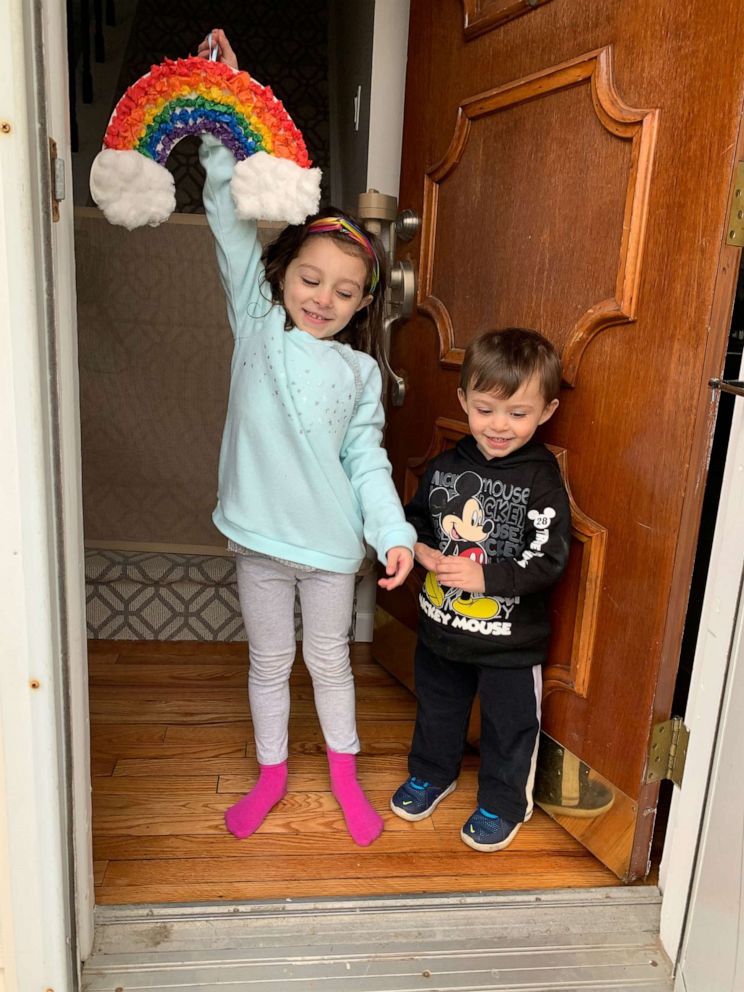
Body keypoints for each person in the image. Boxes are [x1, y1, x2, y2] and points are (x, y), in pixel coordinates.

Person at [195, 30, 415, 847]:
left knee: (328, 664)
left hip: (329, 548)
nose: (323, 297)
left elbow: (367, 462)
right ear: (283, 276)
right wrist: (224, 125)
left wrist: (391, 530)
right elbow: (225, 223)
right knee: (266, 664)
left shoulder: (359, 378)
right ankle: (273, 776)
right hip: (257, 537)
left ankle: (348, 781)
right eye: (310, 279)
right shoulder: (254, 325)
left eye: (346, 291)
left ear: (364, 307)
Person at [390, 327, 571, 852]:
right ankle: (431, 772)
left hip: (509, 644)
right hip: (441, 628)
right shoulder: (447, 465)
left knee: (509, 725)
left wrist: (486, 577)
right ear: (463, 400)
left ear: (547, 411)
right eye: (486, 409)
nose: (499, 426)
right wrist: (419, 549)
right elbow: (417, 520)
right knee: (438, 708)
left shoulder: (542, 479)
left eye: (518, 413)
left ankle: (502, 801)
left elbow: (548, 559)